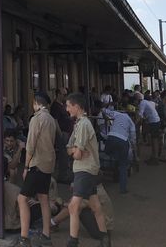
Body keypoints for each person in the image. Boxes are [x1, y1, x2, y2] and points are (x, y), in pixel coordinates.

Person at [65, 92, 110, 247]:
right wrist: (74, 151)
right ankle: (105, 239)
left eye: (68, 106)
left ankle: (73, 241)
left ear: (76, 107)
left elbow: (76, 154)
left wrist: (75, 151)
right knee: (95, 206)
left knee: (73, 206)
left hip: (84, 169)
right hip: (88, 169)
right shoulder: (79, 124)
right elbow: (69, 149)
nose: (67, 109)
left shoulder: (83, 124)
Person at [16, 93, 56, 247]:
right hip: (48, 164)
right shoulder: (51, 120)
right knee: (44, 198)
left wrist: (26, 166)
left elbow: (31, 145)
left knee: (22, 198)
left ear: (36, 103)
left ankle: (24, 238)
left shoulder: (36, 119)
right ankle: (46, 235)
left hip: (37, 164)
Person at [101, 108, 136, 193]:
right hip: (123, 142)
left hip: (111, 138)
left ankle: (117, 159)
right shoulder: (132, 124)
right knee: (123, 166)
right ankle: (123, 189)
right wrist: (134, 148)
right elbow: (133, 139)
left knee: (107, 152)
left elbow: (104, 110)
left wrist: (105, 117)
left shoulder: (118, 114)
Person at [135, 93, 162, 165]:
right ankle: (153, 157)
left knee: (154, 140)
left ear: (137, 100)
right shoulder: (146, 102)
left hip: (154, 122)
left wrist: (134, 124)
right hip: (154, 121)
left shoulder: (142, 103)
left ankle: (155, 158)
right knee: (153, 140)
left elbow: (140, 115)